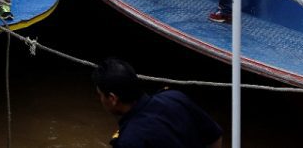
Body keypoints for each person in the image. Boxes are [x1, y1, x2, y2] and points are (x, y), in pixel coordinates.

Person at [92, 58, 222, 148]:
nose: (101, 100)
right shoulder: (175, 98)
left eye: (100, 95)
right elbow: (215, 136)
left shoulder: (128, 141)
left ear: (113, 99)